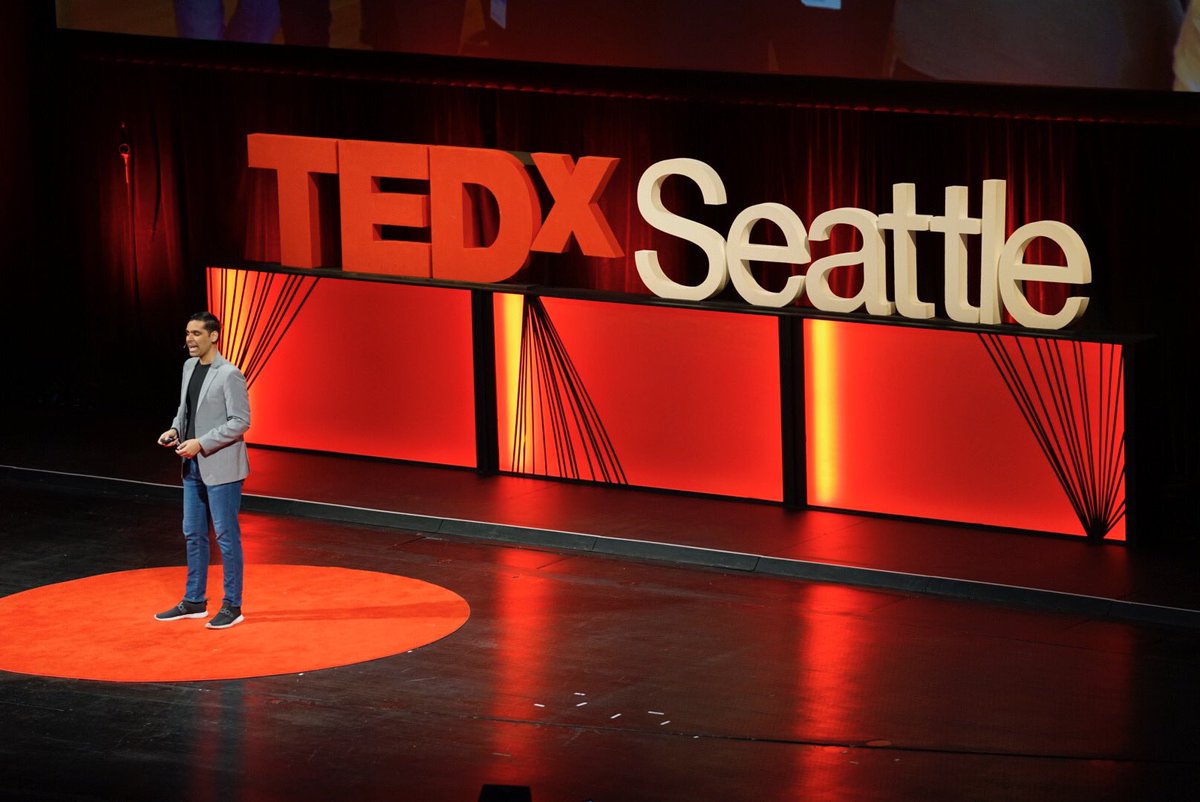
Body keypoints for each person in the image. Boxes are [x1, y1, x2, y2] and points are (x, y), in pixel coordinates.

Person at [155, 312, 251, 630]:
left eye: (196, 334)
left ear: (214, 336)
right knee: (193, 533)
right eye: (187, 334)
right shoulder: (188, 368)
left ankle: (232, 605)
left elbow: (240, 422)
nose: (190, 340)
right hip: (192, 464)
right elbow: (186, 410)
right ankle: (194, 600)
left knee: (225, 535)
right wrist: (174, 430)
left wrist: (201, 443)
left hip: (221, 465)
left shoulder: (229, 374)